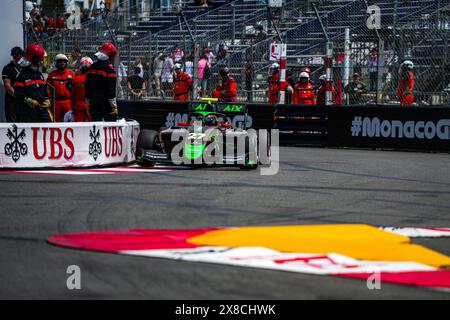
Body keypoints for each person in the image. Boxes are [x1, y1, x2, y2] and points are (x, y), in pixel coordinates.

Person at [14, 44, 53, 122]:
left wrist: (47, 100)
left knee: (48, 129)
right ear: (33, 58)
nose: (41, 61)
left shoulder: (39, 74)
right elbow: (17, 92)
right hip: (27, 111)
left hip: (42, 110)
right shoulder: (22, 74)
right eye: (40, 58)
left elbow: (44, 91)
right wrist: (28, 100)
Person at [85, 42, 119, 121]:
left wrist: (88, 104)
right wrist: (114, 106)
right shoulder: (109, 70)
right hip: (106, 104)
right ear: (110, 55)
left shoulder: (91, 68)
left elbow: (87, 88)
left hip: (93, 102)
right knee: (109, 127)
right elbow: (111, 90)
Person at [47, 54, 75, 122]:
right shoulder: (51, 75)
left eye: (64, 61)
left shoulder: (72, 74)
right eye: (60, 61)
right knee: (55, 122)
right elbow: (48, 90)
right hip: (56, 103)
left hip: (68, 102)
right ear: (56, 63)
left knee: (69, 121)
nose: (62, 63)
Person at [2, 47, 23, 122]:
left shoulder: (24, 68)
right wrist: (18, 97)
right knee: (12, 123)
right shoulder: (7, 68)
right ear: (13, 56)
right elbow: (7, 85)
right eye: (16, 55)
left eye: (20, 55)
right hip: (12, 100)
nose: (19, 57)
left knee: (24, 122)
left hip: (23, 99)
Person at [71, 57, 93, 122]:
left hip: (79, 104)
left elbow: (73, 94)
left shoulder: (76, 78)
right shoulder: (94, 78)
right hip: (90, 104)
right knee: (92, 126)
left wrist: (73, 105)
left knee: (79, 125)